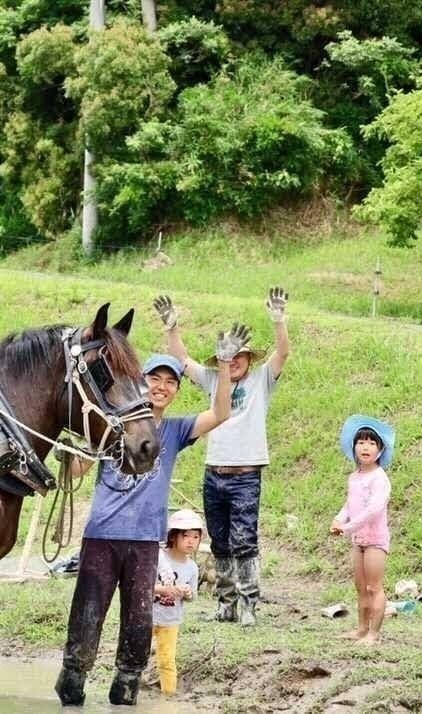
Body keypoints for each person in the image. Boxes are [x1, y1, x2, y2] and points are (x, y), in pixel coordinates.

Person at [55, 323, 250, 707]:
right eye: (154, 379)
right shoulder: (114, 424)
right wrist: (71, 456)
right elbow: (75, 472)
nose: (161, 386)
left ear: (176, 391)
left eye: (169, 382)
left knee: (139, 617)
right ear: (141, 383)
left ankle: (125, 685)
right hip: (102, 534)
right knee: (88, 611)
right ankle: (72, 682)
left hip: (146, 540)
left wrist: (225, 366)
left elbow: (221, 411)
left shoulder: (176, 431)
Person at [154, 288, 291, 626]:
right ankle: (225, 602)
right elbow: (182, 362)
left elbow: (283, 353)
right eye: (230, 356)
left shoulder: (261, 380)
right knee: (219, 540)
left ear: (248, 359)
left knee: (245, 539)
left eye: (241, 356)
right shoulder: (215, 379)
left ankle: (248, 604)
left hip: (246, 472)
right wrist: (172, 327)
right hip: (214, 471)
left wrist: (279, 320)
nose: (235, 361)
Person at [331, 415, 395, 647]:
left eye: (371, 443)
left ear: (380, 450)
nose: (365, 447)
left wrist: (346, 528)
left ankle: (374, 634)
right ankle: (361, 628)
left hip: (375, 540)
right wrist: (339, 519)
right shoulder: (354, 478)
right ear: (354, 447)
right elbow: (350, 504)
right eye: (361, 442)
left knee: (373, 586)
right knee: (360, 587)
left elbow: (373, 509)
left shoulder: (380, 478)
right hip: (358, 539)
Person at [152, 508, 203, 696]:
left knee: (167, 661)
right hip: (147, 616)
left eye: (195, 537)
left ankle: (168, 697)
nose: (191, 541)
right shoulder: (157, 557)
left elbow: (193, 597)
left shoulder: (191, 568)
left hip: (170, 621)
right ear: (173, 536)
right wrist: (165, 589)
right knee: (136, 655)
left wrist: (187, 592)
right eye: (186, 536)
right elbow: (142, 586)